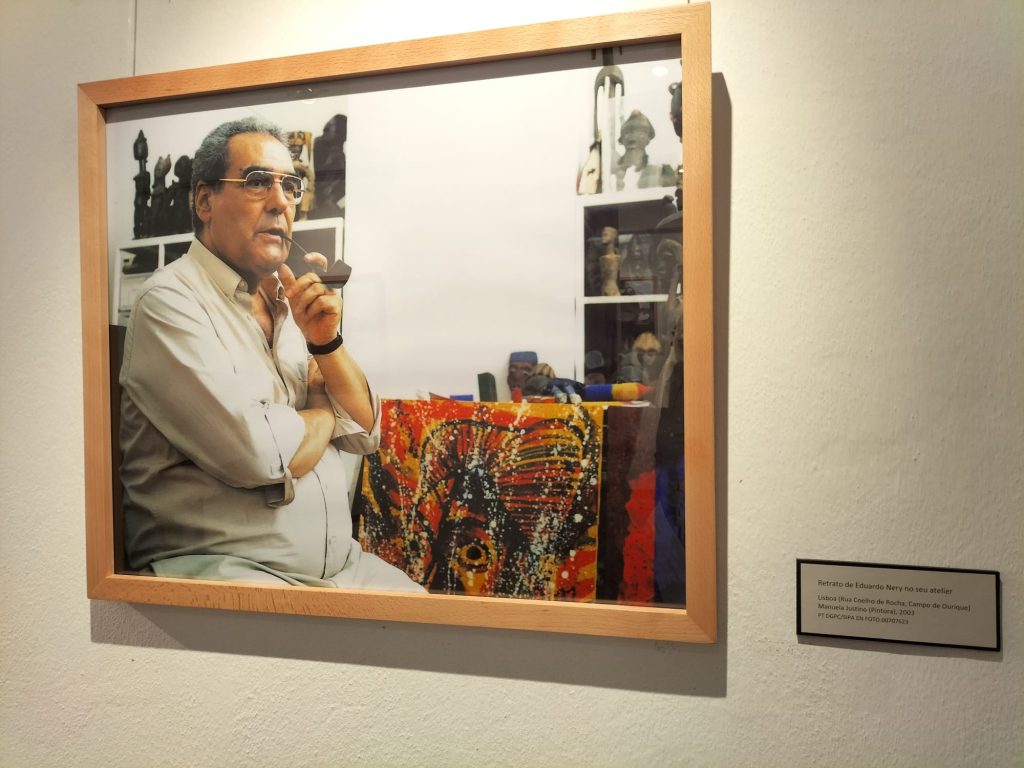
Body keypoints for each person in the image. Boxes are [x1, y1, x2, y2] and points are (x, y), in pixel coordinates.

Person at [118, 117, 423, 591]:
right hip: (226, 573)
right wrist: (323, 411)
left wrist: (326, 342)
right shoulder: (170, 302)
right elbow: (258, 454)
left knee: (449, 625)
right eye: (258, 182)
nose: (281, 202)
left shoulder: (287, 302)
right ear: (204, 201)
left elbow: (366, 432)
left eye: (290, 186)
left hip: (341, 568)